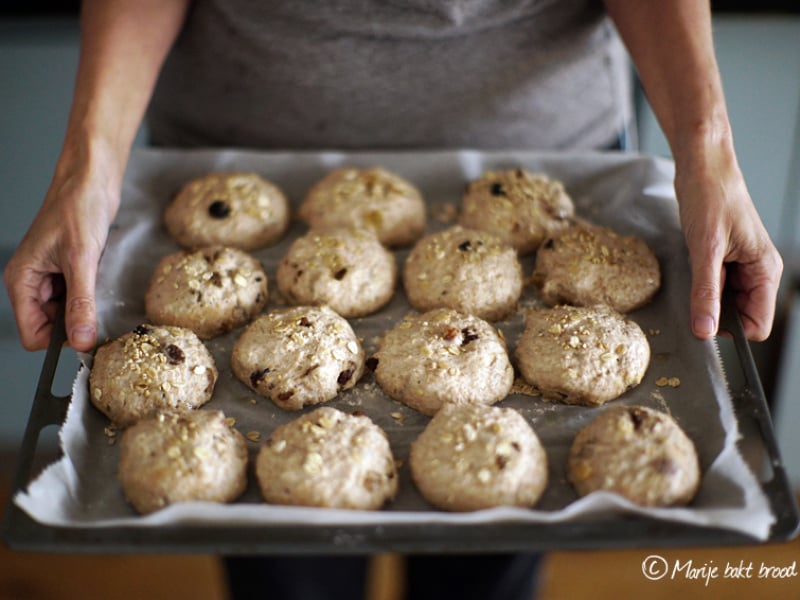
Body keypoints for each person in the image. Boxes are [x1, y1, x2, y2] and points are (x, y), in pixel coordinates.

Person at [3, 1, 784, 599]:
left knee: (491, 564)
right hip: (233, 120)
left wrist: (710, 153)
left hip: (553, 152)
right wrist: (86, 169)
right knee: (285, 571)